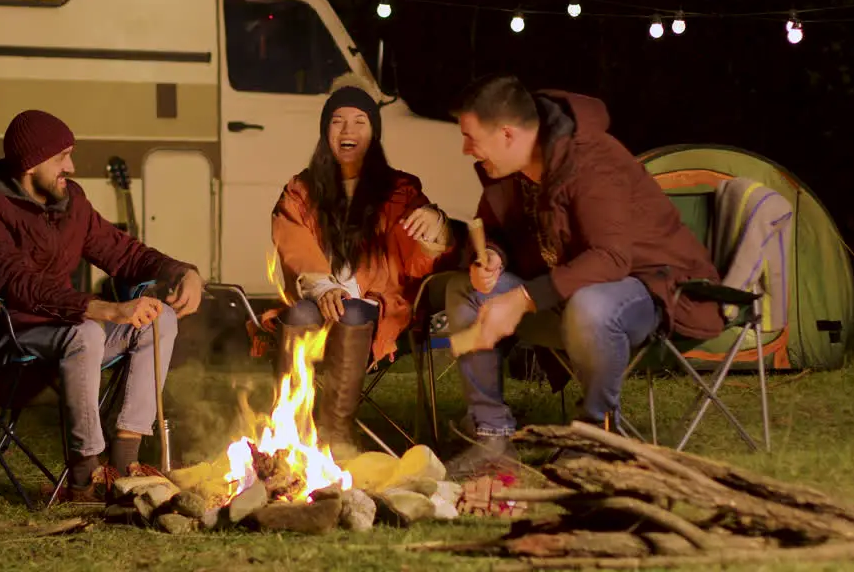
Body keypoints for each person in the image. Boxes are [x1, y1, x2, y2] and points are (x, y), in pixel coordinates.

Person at [440, 75, 724, 479]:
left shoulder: (592, 160)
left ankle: (595, 437)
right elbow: (498, 232)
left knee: (591, 306)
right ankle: (491, 436)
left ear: (506, 134)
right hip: (564, 293)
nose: (466, 148)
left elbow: (611, 258)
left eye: (470, 137)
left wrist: (521, 299)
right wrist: (492, 260)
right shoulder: (511, 170)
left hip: (648, 288)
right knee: (465, 292)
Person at [0, 109, 205, 501]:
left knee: (160, 318)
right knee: (86, 332)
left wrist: (182, 271)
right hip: (7, 341)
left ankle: (124, 466)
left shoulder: (71, 204)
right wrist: (105, 309)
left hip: (66, 334)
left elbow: (124, 253)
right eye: (61, 157)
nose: (70, 166)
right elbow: (18, 283)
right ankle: (84, 479)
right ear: (31, 164)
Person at [271, 77, 454, 459]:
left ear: (374, 132)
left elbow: (420, 259)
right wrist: (322, 288)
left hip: (376, 308)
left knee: (352, 311)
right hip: (318, 299)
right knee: (300, 312)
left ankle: (335, 437)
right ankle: (292, 437)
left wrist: (437, 226)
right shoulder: (301, 190)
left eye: (359, 121)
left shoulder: (400, 191)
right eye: (338, 120)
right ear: (325, 131)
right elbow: (293, 242)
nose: (348, 130)